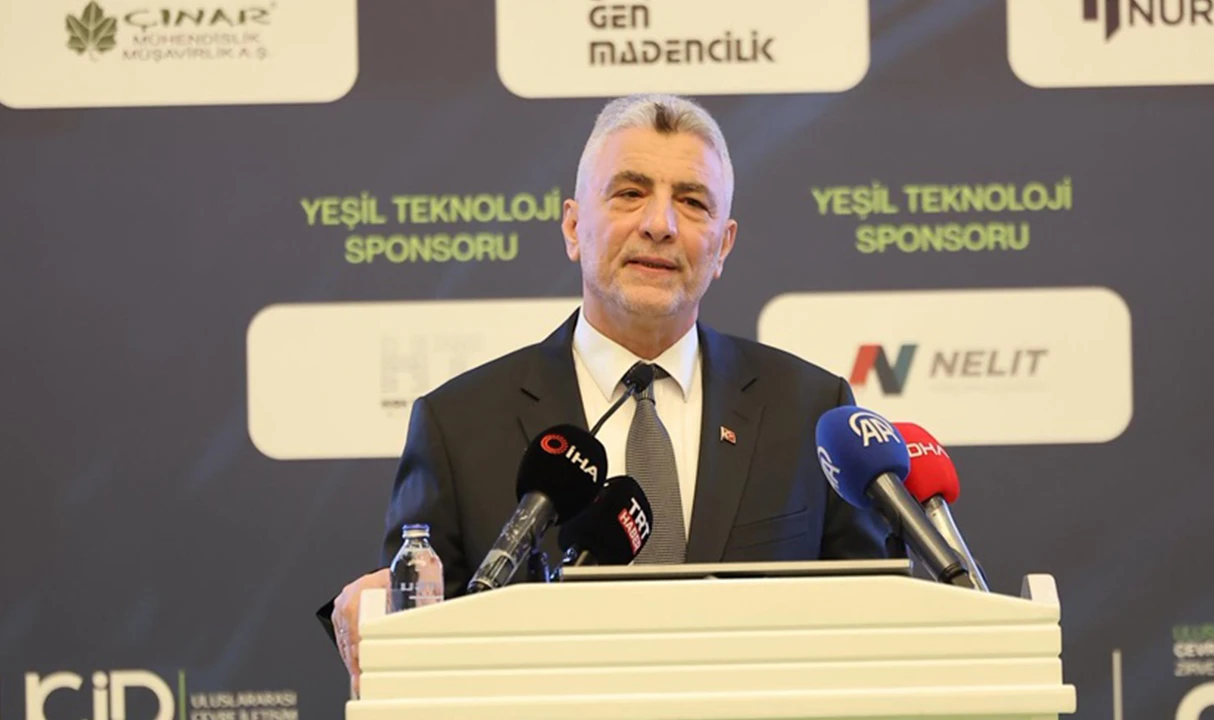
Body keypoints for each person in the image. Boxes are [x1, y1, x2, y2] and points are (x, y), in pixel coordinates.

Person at [320, 93, 902, 690]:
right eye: (629, 193)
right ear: (574, 227)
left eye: (692, 202)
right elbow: (416, 642)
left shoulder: (811, 411)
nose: (660, 224)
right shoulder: (458, 425)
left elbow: (879, 629)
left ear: (723, 246)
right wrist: (376, 614)